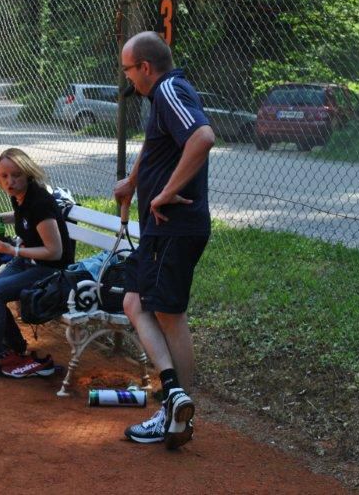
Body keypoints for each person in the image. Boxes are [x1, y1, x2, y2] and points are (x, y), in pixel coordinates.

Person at [114, 31, 215, 449]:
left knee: (170, 315)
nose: (127, 79)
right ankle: (175, 399)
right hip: (163, 230)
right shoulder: (160, 99)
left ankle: (177, 412)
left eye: (128, 69)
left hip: (175, 226)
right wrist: (133, 182)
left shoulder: (170, 88)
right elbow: (157, 144)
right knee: (134, 301)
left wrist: (169, 191)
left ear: (146, 68)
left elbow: (202, 138)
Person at [0, 148, 74, 381]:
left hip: (51, 271)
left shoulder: (40, 202)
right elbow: (22, 215)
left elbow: (55, 251)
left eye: (16, 175)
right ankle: (14, 350)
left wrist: (14, 250)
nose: (10, 181)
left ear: (27, 173)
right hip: (29, 261)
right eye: (4, 176)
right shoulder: (22, 196)